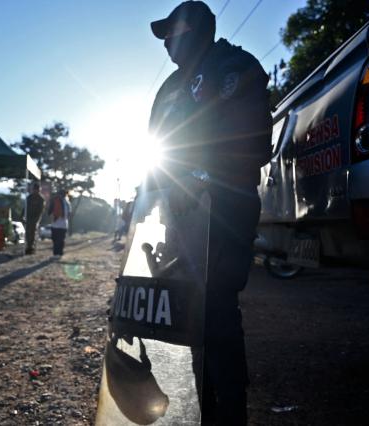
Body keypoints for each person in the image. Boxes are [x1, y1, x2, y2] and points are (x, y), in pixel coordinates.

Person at [149, 2, 272, 425]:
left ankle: (230, 412)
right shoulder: (167, 90)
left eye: (173, 33)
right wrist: (148, 206)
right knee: (180, 313)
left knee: (216, 308)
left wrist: (203, 177)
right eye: (163, 36)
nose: (167, 43)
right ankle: (195, 405)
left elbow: (252, 143)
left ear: (196, 29)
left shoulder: (234, 66)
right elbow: (154, 155)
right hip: (177, 217)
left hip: (223, 209)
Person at [47, 189, 71, 257]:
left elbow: (49, 212)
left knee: (56, 240)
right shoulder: (67, 202)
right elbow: (69, 213)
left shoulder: (55, 201)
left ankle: (57, 253)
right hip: (62, 225)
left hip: (56, 224)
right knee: (60, 240)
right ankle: (59, 253)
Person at [25, 182, 45, 254]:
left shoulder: (41, 199)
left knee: (33, 232)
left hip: (35, 218)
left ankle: (31, 247)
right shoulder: (29, 197)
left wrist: (37, 219)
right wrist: (23, 216)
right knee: (28, 232)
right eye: (34, 189)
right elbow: (25, 207)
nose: (35, 191)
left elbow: (41, 210)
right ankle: (28, 246)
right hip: (28, 217)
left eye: (36, 189)